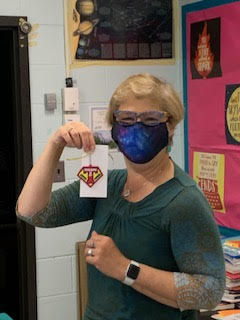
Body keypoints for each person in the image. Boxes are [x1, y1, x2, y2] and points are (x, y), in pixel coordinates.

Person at [16, 73, 225, 320]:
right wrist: (55, 143)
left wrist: (126, 269)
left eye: (149, 119)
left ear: (170, 127)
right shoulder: (106, 184)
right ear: (114, 128)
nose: (136, 127)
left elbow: (210, 290)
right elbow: (31, 212)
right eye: (126, 119)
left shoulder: (183, 200)